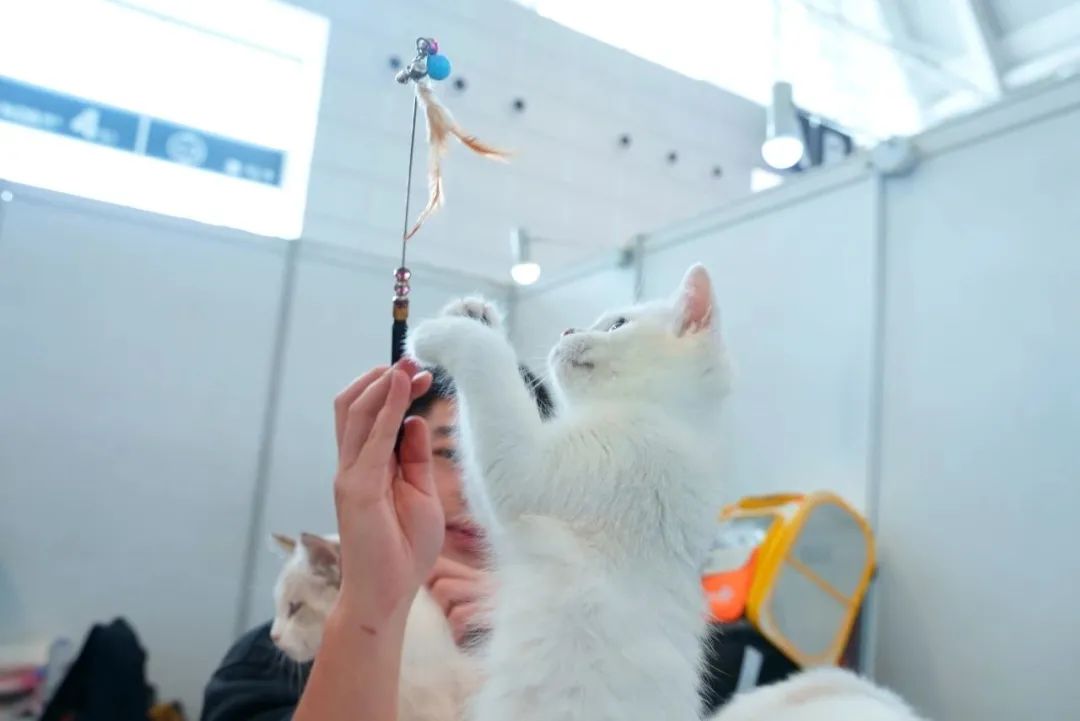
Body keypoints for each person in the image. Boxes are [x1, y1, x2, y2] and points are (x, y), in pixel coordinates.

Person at [202, 362, 552, 721]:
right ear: (396, 462)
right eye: (450, 453)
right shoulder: (280, 656)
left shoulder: (571, 649)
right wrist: (370, 616)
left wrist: (538, 649)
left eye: (511, 468)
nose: (476, 493)